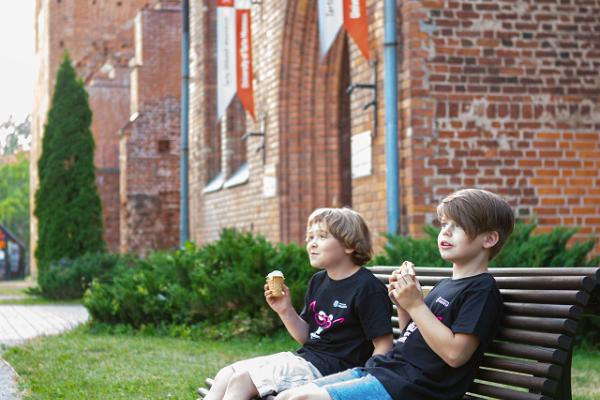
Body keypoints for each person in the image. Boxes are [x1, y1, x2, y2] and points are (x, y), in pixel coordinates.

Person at [275, 188, 514, 400]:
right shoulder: (445, 285)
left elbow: (455, 354)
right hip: (386, 371)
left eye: (459, 226)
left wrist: (417, 305)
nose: (446, 232)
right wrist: (404, 305)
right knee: (287, 395)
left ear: (489, 239)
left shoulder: (481, 290)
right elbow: (413, 336)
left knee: (304, 398)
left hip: (413, 387)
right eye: (444, 224)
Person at [203, 207, 394, 400]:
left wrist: (362, 381)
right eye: (309, 238)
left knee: (242, 380)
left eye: (321, 236)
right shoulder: (318, 281)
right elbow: (308, 337)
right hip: (305, 360)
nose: (312, 244)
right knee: (226, 374)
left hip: (331, 371)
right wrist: (285, 309)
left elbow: (384, 345)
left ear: (349, 244)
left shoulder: (367, 288)